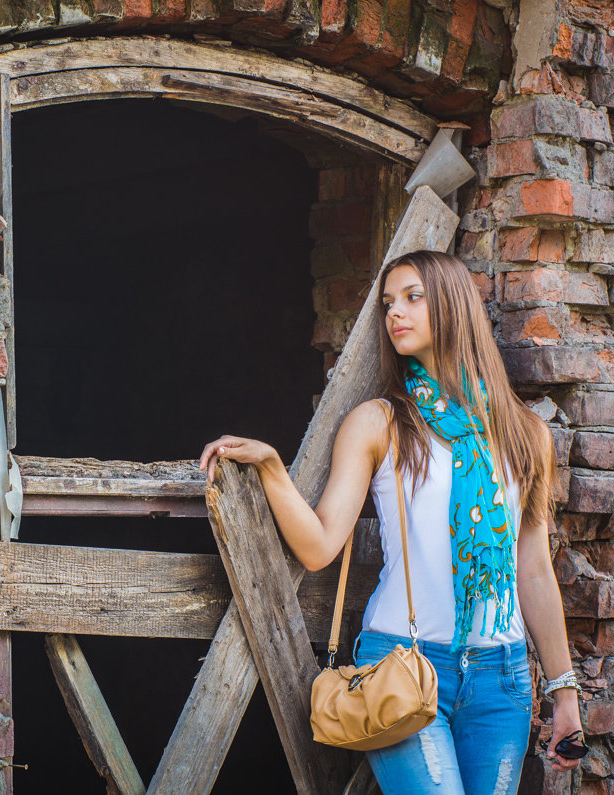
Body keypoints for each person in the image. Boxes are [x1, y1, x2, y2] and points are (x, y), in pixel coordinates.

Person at [199, 250, 584, 793]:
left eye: (412, 297)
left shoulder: (526, 435)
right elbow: (319, 546)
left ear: (452, 306)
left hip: (505, 681)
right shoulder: (379, 422)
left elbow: (535, 570)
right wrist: (271, 468)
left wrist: (564, 693)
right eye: (387, 303)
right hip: (403, 666)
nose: (394, 314)